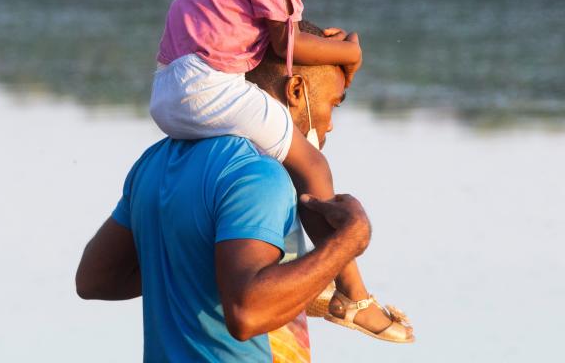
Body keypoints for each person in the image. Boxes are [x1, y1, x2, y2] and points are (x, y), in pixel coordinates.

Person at [148, 0, 413, 341]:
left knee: (280, 154)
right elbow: (281, 46)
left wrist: (327, 46)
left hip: (168, 90)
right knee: (311, 161)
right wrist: (348, 51)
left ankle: (298, 266)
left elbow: (272, 40)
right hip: (208, 87)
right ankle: (351, 295)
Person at [76, 23, 393, 360]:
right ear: (296, 90)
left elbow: (97, 279)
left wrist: (200, 264)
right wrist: (345, 244)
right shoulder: (259, 174)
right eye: (334, 104)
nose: (330, 124)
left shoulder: (156, 161)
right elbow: (248, 314)